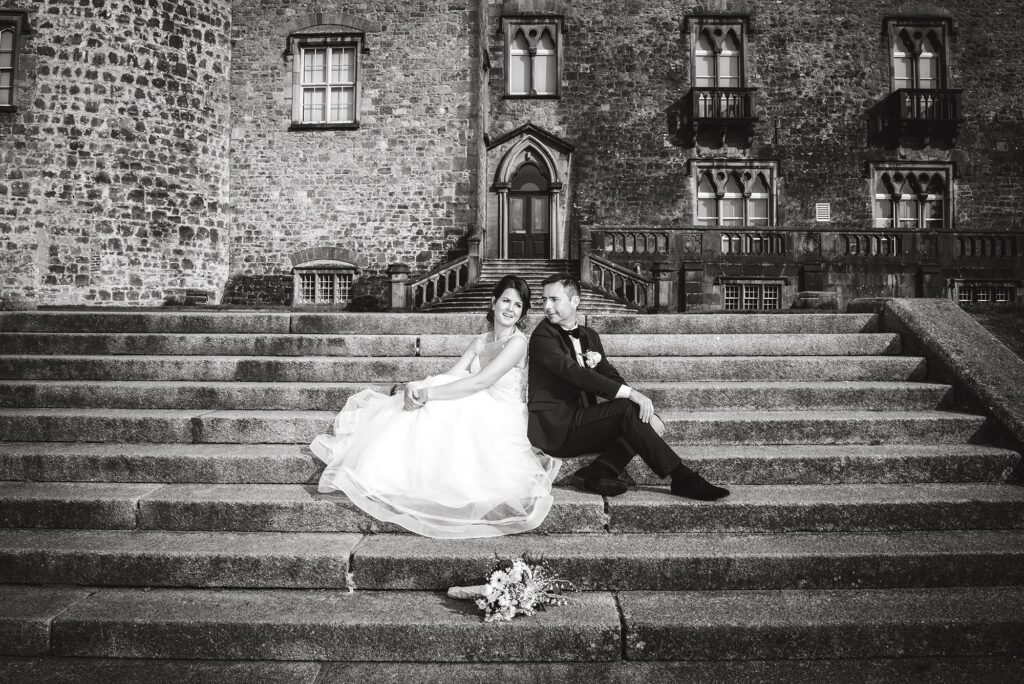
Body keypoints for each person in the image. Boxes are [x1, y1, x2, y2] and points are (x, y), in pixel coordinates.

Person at [310, 275, 560, 538]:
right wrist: (418, 389)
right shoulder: (480, 340)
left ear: (522, 312)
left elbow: (480, 382)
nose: (510, 309)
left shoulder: (518, 343)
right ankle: (397, 472)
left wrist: (429, 393)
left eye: (518, 305)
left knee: (444, 402)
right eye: (506, 301)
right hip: (473, 401)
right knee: (427, 400)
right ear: (493, 302)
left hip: (500, 415)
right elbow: (451, 376)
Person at [527, 273, 729, 501]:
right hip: (556, 428)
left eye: (554, 299)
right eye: (544, 300)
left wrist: (643, 406)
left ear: (575, 302)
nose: (546, 306)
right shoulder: (542, 335)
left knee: (637, 415)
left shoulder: (589, 335)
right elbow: (574, 374)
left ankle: (598, 472)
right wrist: (633, 396)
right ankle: (682, 477)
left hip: (581, 421)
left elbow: (609, 375)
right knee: (627, 409)